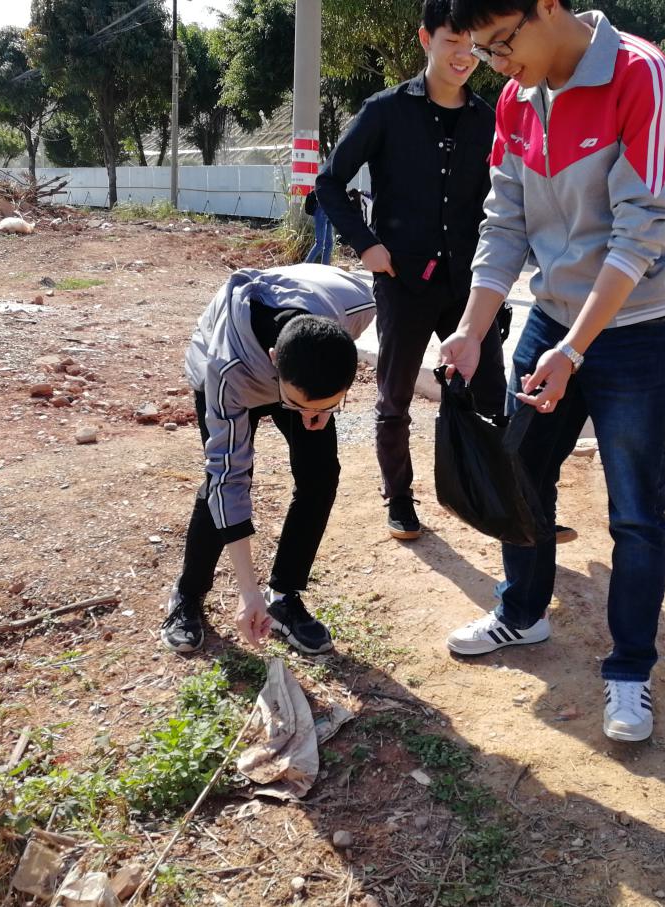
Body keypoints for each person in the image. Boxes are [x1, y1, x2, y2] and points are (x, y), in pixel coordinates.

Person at [439, 0, 665, 743]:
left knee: (635, 509)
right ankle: (522, 613)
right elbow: (505, 222)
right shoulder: (518, 98)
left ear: (547, 6)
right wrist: (471, 329)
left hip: (637, 329)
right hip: (553, 320)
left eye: (501, 43)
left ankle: (630, 670)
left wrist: (576, 350)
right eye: (484, 51)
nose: (496, 65)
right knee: (519, 470)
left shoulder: (642, 77)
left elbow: (640, 231)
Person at [314, 0, 506, 542]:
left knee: (491, 394)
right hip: (403, 282)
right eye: (452, 42)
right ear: (426, 39)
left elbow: (503, 201)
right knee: (394, 397)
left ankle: (493, 495)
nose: (464, 56)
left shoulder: (489, 119)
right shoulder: (385, 111)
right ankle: (399, 497)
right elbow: (329, 183)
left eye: (472, 46)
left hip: (468, 285)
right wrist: (367, 245)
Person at [163, 264, 376, 655]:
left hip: (300, 372)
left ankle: (283, 596)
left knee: (320, 475)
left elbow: (327, 376)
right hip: (234, 364)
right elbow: (228, 478)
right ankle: (188, 594)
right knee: (222, 481)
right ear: (276, 359)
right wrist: (248, 591)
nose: (309, 415)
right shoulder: (226, 371)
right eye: (301, 405)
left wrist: (323, 407)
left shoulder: (357, 306)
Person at [303, 191, 333, 265]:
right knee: (319, 244)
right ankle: (306, 265)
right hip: (322, 209)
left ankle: (325, 267)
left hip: (330, 210)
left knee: (329, 244)